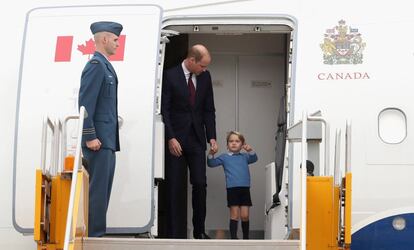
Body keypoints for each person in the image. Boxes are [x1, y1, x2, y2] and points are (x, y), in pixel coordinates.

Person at [161, 44, 218, 239]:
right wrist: (170, 137)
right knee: (175, 187)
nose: (205, 69)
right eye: (202, 66)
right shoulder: (169, 75)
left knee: (200, 184)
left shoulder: (205, 77)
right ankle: (174, 233)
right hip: (175, 140)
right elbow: (165, 111)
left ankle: (199, 231)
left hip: (196, 139)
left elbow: (209, 109)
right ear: (191, 61)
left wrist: (212, 136)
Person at [78, 21, 123, 237]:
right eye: (115, 39)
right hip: (98, 141)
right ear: (104, 39)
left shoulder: (105, 65)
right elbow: (85, 103)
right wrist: (90, 136)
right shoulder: (96, 66)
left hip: (107, 140)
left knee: (103, 191)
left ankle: (96, 233)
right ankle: (94, 236)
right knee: (97, 191)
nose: (117, 43)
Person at [207, 131, 258, 240]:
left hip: (245, 189)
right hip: (232, 189)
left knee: (245, 215)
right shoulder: (224, 157)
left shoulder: (245, 156)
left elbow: (254, 158)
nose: (234, 143)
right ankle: (234, 239)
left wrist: (250, 150)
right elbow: (211, 163)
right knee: (234, 215)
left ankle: (246, 239)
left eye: (237, 141)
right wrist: (211, 153)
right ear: (227, 144)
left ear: (242, 144)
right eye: (231, 141)